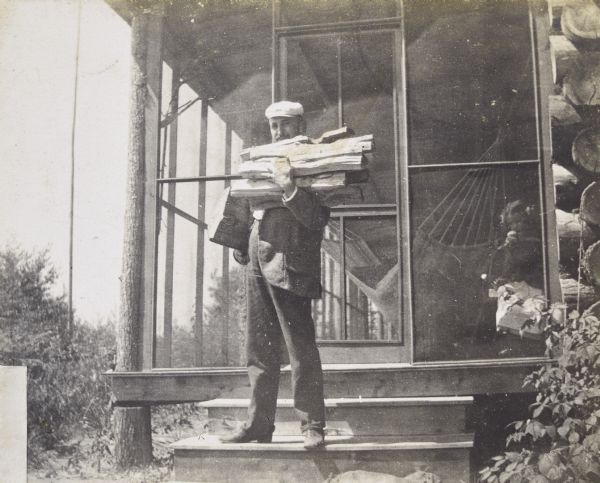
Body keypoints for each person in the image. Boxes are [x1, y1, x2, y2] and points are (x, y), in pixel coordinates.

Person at [219, 101, 328, 450]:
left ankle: (312, 425)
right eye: (274, 126)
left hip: (290, 252)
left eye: (285, 124)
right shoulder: (264, 155)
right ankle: (258, 425)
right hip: (257, 247)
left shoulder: (316, 157)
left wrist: (289, 188)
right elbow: (248, 200)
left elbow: (317, 218)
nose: (279, 131)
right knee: (258, 346)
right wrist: (240, 239)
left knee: (299, 346)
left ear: (301, 123)